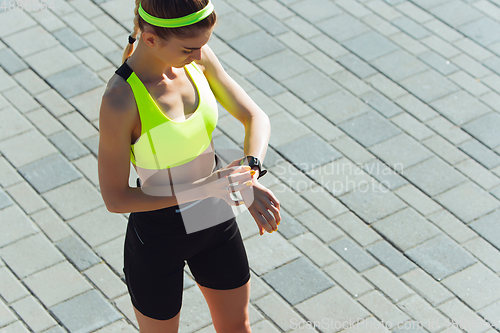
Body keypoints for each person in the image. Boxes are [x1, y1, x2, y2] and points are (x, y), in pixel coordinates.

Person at [97, 0, 281, 332]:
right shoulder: (120, 100)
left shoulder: (198, 58)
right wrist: (212, 186)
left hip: (213, 216)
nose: (198, 56)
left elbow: (255, 116)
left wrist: (248, 172)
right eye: (188, 49)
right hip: (158, 234)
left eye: (202, 46)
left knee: (237, 327)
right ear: (151, 39)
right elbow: (116, 199)